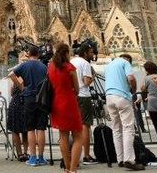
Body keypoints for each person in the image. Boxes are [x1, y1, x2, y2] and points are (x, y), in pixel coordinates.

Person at [104, 53, 144, 171]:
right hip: (121, 96)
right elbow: (131, 78)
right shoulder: (125, 62)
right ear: (128, 60)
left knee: (116, 129)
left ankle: (120, 159)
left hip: (109, 97)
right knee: (128, 128)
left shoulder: (109, 65)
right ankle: (129, 160)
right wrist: (133, 89)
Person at [11, 46, 48, 167]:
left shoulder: (24, 65)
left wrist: (21, 87)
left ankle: (32, 158)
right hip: (42, 98)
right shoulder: (43, 66)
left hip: (29, 98)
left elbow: (12, 74)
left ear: (28, 54)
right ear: (38, 55)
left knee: (31, 128)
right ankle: (41, 157)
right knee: (41, 128)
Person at [48, 43, 83, 173]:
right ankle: (73, 169)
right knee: (78, 136)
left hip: (56, 103)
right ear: (67, 53)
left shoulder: (51, 67)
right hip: (69, 103)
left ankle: (67, 168)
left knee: (63, 136)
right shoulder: (70, 67)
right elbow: (77, 89)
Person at [70, 43, 97, 165]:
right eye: (91, 52)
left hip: (72, 95)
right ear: (85, 52)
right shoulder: (85, 63)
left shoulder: (72, 61)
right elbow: (86, 82)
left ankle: (75, 155)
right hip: (83, 95)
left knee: (74, 126)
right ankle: (86, 155)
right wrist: (93, 77)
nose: (92, 54)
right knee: (85, 125)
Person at [6, 72, 28, 162]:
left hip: (14, 104)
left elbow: (11, 93)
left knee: (15, 130)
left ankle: (19, 154)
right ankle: (26, 153)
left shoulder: (15, 79)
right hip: (24, 103)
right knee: (25, 131)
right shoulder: (25, 79)